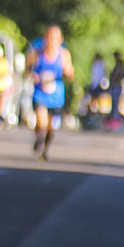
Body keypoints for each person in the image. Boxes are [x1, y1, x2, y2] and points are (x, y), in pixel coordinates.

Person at [27, 25, 75, 159]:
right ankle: (39, 137)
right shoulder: (37, 54)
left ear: (60, 39)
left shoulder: (64, 55)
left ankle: (45, 148)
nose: (51, 40)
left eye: (54, 38)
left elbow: (71, 75)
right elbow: (27, 69)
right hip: (40, 92)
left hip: (56, 95)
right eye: (49, 37)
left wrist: (68, 72)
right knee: (40, 122)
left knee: (50, 126)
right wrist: (32, 76)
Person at [107, 50, 124, 129]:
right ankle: (115, 120)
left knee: (115, 103)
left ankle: (117, 120)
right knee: (114, 103)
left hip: (117, 85)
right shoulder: (117, 65)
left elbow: (122, 74)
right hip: (115, 85)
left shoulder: (120, 65)